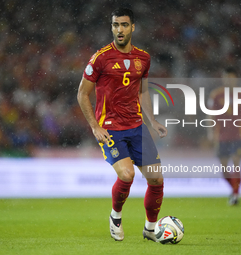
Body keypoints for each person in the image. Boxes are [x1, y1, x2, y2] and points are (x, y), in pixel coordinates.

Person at [77, 7, 167, 241]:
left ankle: (150, 229)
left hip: (136, 127)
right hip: (110, 129)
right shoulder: (100, 58)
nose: (119, 29)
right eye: (116, 25)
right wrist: (95, 127)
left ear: (132, 27)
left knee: (156, 179)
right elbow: (82, 94)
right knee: (127, 175)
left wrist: (153, 121)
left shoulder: (143, 58)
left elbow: (143, 91)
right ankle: (115, 216)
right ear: (112, 27)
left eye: (124, 25)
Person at [207, 67, 241, 205]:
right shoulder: (216, 94)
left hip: (237, 135)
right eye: (226, 77)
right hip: (221, 136)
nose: (229, 80)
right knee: (224, 169)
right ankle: (233, 189)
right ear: (223, 78)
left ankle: (235, 195)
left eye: (231, 77)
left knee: (236, 163)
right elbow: (210, 114)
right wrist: (210, 131)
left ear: (236, 79)